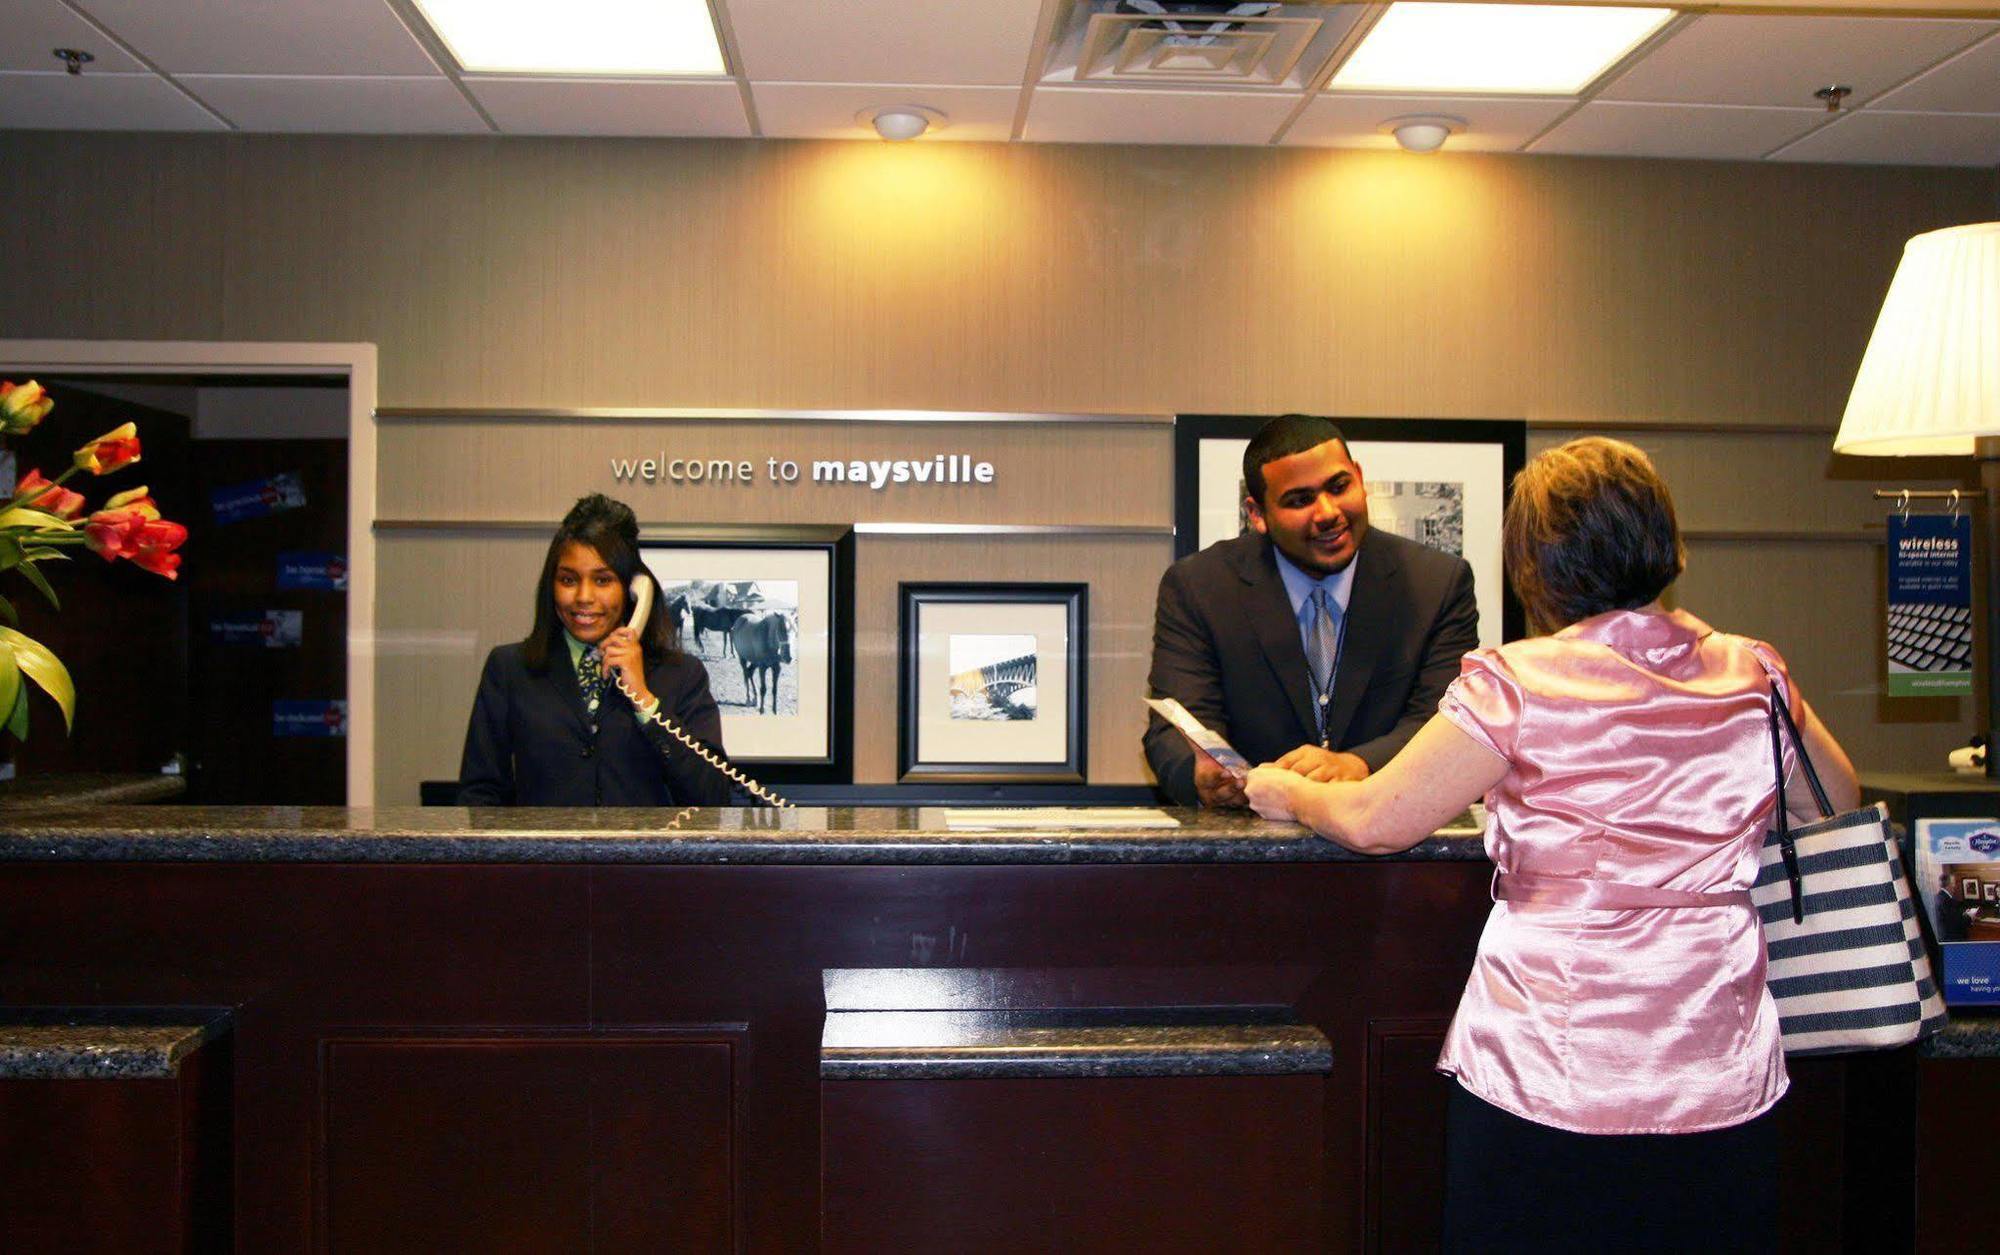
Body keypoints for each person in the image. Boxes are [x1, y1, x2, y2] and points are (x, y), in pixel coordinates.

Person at [1245, 437, 1858, 1252]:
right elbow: (1836, 800)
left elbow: (1375, 818)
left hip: (1551, 1064)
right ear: (1663, 539)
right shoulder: (1752, 672)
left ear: (1538, 561)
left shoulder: (1519, 681)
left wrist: (1287, 790)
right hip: (1721, 1061)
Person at [1144, 413, 1479, 807]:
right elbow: (1173, 733)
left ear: (1358, 476)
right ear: (1257, 515)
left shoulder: (1436, 583)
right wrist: (1199, 774)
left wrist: (1357, 764)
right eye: (1300, 500)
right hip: (1253, 847)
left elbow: (1446, 721)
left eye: (1339, 487)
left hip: (1396, 836)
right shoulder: (1198, 588)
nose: (1327, 512)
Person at [459, 494, 732, 806]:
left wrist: (645, 702)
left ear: (633, 588)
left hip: (644, 855)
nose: (583, 597)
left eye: (603, 580)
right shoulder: (509, 669)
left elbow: (712, 797)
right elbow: (479, 797)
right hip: (543, 854)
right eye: (568, 580)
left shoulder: (683, 676)